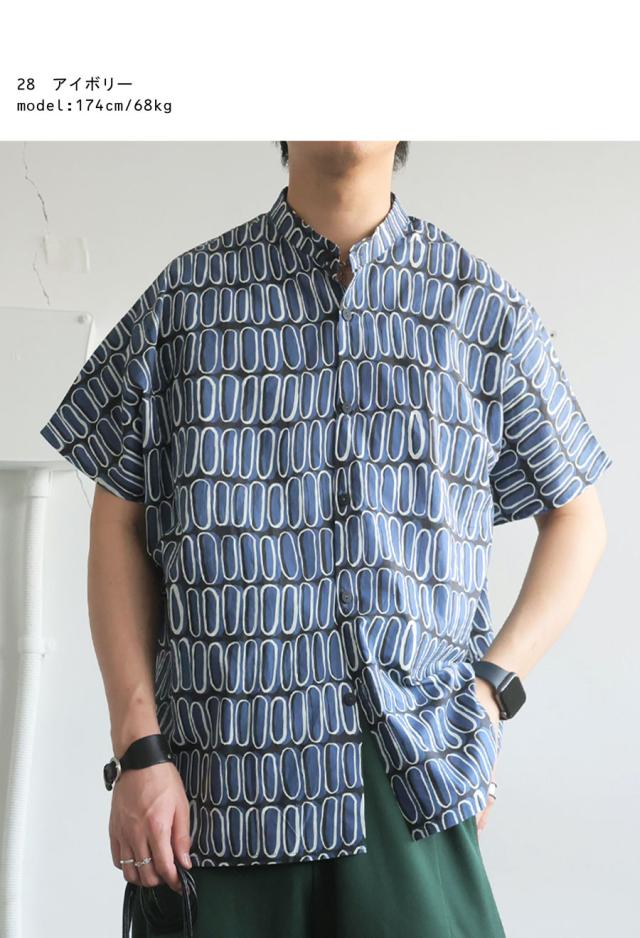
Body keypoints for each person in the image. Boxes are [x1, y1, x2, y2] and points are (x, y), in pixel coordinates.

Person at [40, 141, 612, 937]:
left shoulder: (481, 310)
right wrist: (138, 750)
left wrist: (489, 698)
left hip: (412, 773)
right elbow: (118, 519)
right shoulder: (184, 303)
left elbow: (578, 516)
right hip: (217, 782)